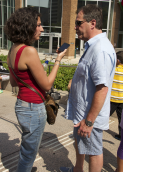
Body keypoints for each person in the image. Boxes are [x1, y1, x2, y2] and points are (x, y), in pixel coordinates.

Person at [4, 7, 67, 172]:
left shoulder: (13, 50)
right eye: (38, 25)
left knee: (27, 147)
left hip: (22, 105)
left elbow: (14, 81)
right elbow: (47, 85)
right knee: (29, 153)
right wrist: (58, 60)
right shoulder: (29, 51)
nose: (42, 29)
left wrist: (33, 76)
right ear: (28, 26)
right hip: (33, 108)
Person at [60, 4, 116, 172]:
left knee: (93, 151)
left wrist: (89, 121)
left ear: (92, 23)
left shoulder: (100, 50)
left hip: (89, 116)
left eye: (78, 23)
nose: (75, 27)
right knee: (82, 145)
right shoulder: (92, 46)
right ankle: (77, 170)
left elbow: (102, 89)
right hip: (82, 112)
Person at [110, 51, 123, 140]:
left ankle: (94, 131)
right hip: (122, 100)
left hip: (112, 99)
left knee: (104, 116)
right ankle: (121, 135)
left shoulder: (113, 69)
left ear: (117, 60)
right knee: (121, 119)